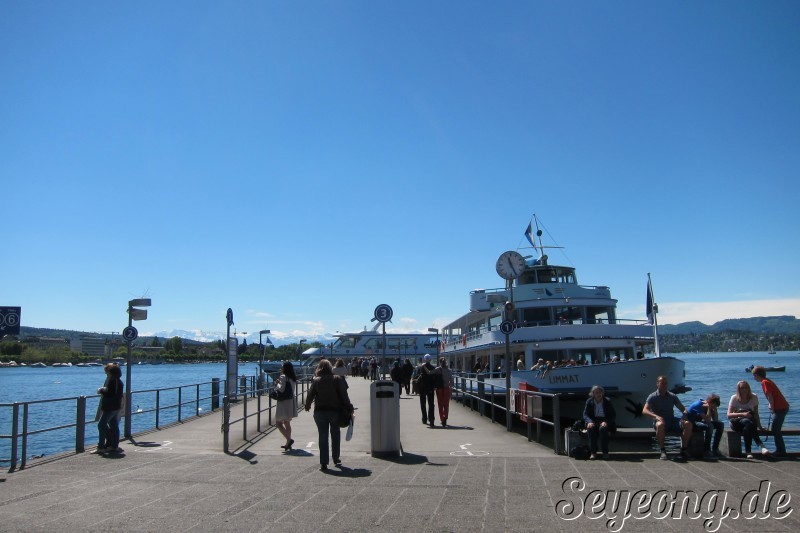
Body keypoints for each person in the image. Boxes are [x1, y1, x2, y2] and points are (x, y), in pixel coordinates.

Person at [305, 359, 353, 471]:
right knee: (335, 433)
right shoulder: (337, 379)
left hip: (320, 412)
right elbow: (344, 395)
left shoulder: (316, 380)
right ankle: (336, 458)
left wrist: (308, 406)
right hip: (334, 411)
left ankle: (323, 462)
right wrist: (349, 407)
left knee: (322, 435)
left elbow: (310, 395)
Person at [642, 375, 692, 460]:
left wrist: (684, 415)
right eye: (662, 383)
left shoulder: (672, 396)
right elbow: (644, 410)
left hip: (671, 420)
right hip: (660, 420)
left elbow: (683, 409)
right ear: (657, 384)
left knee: (688, 424)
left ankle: (683, 449)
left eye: (665, 383)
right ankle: (663, 451)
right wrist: (656, 416)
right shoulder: (653, 396)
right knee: (659, 425)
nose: (664, 385)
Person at [752, 366, 789, 457]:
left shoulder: (765, 382)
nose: (753, 378)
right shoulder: (767, 380)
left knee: (775, 429)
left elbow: (770, 397)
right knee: (776, 429)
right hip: (782, 407)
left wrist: (771, 408)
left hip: (780, 408)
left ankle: (781, 451)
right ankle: (780, 450)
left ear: (756, 375)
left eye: (754, 376)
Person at [727, 380, 768, 459]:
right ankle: (760, 445)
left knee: (747, 427)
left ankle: (748, 452)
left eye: (746, 388)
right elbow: (729, 415)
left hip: (750, 422)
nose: (744, 390)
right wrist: (742, 414)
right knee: (747, 421)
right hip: (736, 422)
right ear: (739, 389)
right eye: (742, 388)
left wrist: (759, 426)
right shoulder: (734, 398)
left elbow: (756, 413)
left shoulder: (754, 397)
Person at [582, 385, 616, 460]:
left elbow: (613, 415)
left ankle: (605, 452)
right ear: (593, 394)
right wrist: (589, 422)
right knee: (591, 429)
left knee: (603, 429)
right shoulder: (589, 401)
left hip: (604, 421)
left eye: (600, 392)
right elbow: (585, 414)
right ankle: (593, 452)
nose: (598, 394)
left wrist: (606, 422)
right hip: (593, 421)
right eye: (596, 392)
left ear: (602, 393)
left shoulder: (608, 401)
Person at [96, 363, 124, 454]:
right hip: (115, 407)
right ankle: (114, 445)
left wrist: (102, 391)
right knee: (114, 425)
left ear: (112, 372)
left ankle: (101, 447)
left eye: (108, 372)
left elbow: (111, 394)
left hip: (110, 407)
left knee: (101, 425)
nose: (106, 373)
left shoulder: (113, 381)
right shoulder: (118, 381)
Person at [687, 393, 725, 458]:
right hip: (692, 423)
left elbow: (715, 420)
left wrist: (714, 409)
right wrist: (709, 408)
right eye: (713, 406)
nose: (713, 407)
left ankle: (715, 449)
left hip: (700, 422)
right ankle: (706, 450)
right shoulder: (698, 405)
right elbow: (708, 420)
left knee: (720, 425)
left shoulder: (711, 407)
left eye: (715, 406)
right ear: (708, 402)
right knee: (710, 426)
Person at [274, 361, 297, 451]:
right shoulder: (293, 378)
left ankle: (289, 439)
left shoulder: (283, 377)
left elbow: (281, 389)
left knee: (278, 423)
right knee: (287, 423)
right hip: (290, 401)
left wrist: (277, 383)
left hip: (283, 402)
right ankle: (288, 443)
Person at [414, 354, 437, 426]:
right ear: (430, 360)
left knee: (422, 403)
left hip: (422, 388)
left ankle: (424, 418)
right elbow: (435, 378)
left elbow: (416, 376)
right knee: (431, 404)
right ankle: (431, 419)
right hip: (430, 388)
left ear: (424, 359)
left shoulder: (420, 368)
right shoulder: (433, 367)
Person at [433, 357, 453, 427]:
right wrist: (451, 387)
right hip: (447, 389)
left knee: (440, 405)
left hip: (439, 389)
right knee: (446, 405)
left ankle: (442, 419)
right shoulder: (449, 370)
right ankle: (445, 417)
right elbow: (452, 382)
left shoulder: (437, 369)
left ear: (440, 362)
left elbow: (431, 373)